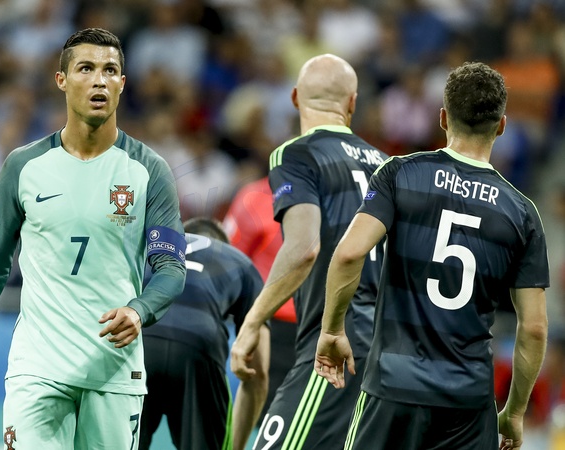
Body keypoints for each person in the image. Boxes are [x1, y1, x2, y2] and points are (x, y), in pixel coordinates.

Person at [0, 28, 187, 449]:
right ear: (62, 80)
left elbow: (171, 268)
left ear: (123, 83)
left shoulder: (149, 171)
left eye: (110, 70)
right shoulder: (23, 166)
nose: (99, 80)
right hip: (38, 367)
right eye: (86, 68)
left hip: (114, 370)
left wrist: (139, 310)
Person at [315, 62, 549, 450]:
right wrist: (514, 412)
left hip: (393, 385)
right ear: (501, 126)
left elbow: (349, 254)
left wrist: (332, 330)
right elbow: (535, 328)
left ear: (442, 118)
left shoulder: (399, 174)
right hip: (468, 402)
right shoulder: (522, 213)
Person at [230, 53, 389, 449]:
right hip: (387, 349)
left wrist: (251, 322)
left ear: (295, 97)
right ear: (352, 103)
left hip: (333, 345)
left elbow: (303, 249)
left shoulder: (296, 153)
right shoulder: (388, 167)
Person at [139, 217, 269, 450]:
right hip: (200, 345)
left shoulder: (145, 248)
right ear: (223, 245)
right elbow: (258, 372)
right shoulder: (241, 262)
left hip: (141, 339)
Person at [223, 176, 297, 423]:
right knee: (268, 414)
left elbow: (229, 262)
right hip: (269, 324)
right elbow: (230, 259)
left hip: (315, 326)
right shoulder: (254, 197)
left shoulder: (253, 195)